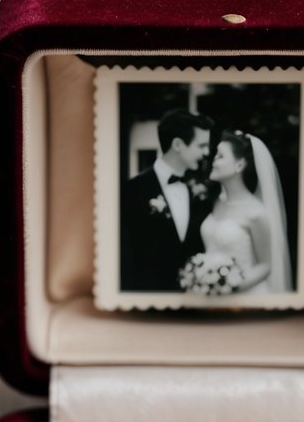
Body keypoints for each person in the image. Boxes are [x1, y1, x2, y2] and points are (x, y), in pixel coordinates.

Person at [120, 108, 213, 292]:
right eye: (201, 145)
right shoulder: (131, 190)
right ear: (177, 144)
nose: (207, 152)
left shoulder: (202, 191)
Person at [201, 130, 293, 294]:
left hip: (246, 296)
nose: (213, 160)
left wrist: (226, 286)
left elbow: (266, 266)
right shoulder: (217, 202)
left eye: (220, 156)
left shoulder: (256, 212)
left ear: (239, 165)